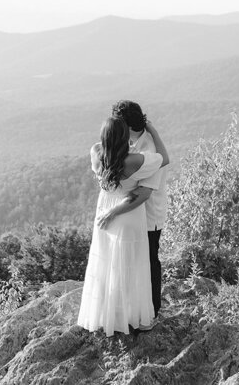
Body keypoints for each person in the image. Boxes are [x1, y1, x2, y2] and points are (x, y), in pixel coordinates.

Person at [77, 116, 170, 336]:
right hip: (128, 214)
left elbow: (102, 151)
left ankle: (108, 316)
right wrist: (152, 131)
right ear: (124, 136)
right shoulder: (135, 160)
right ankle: (136, 318)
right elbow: (164, 159)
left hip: (104, 213)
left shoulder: (96, 152)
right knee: (133, 266)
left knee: (108, 263)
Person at [112, 100, 168, 320]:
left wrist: (114, 211)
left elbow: (145, 192)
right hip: (134, 213)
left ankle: (152, 309)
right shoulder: (132, 141)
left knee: (149, 259)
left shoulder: (149, 147)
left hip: (148, 214)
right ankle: (136, 305)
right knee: (136, 261)